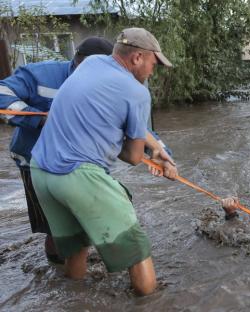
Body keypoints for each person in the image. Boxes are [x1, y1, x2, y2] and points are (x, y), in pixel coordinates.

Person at [30, 27, 176, 296]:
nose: (154, 71)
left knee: (76, 247)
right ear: (137, 58)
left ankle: (77, 300)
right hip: (78, 175)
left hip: (40, 172)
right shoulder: (137, 92)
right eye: (154, 64)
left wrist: (155, 148)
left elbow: (100, 111)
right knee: (136, 248)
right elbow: (132, 157)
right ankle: (151, 301)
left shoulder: (92, 63)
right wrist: (149, 155)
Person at [0, 36, 114, 263]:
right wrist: (41, 120)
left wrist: (159, 152)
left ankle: (77, 263)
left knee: (90, 217)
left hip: (83, 162)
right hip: (34, 162)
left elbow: (133, 126)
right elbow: (2, 93)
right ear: (80, 62)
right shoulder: (41, 75)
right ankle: (58, 270)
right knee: (54, 226)